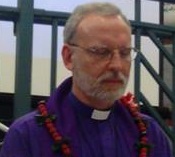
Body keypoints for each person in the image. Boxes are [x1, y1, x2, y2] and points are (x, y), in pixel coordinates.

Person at [0, 2, 173, 157]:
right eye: (101, 52)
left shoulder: (151, 135)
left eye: (125, 53)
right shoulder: (28, 135)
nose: (117, 66)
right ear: (69, 57)